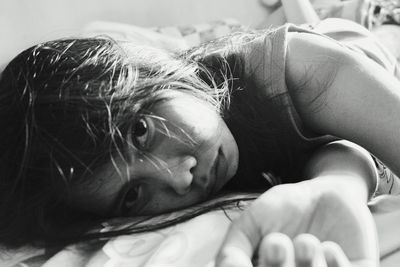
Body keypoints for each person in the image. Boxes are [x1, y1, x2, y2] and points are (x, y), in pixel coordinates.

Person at [0, 0, 399, 265]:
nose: (179, 177)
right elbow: (333, 150)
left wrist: (340, 180)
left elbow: (365, 143)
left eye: (140, 131)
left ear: (153, 71)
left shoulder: (303, 70)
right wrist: (336, 184)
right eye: (133, 195)